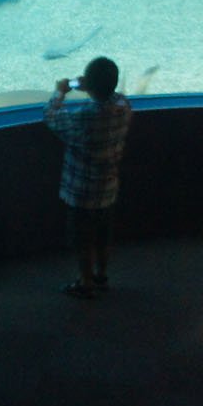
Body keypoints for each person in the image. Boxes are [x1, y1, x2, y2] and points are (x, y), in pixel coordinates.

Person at [44, 56, 133, 298]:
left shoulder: (83, 117)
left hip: (82, 195)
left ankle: (86, 283)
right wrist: (94, 88)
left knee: (83, 241)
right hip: (107, 191)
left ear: (89, 86)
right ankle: (101, 275)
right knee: (104, 237)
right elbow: (116, 97)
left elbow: (51, 116)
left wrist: (59, 92)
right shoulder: (124, 109)